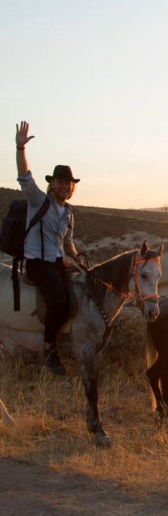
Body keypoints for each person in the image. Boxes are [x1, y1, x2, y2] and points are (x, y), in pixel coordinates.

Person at [14, 121, 82, 376]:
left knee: (75, 299)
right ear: (52, 183)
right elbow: (24, 177)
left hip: (58, 262)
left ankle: (65, 342)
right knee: (58, 301)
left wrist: (77, 258)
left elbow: (67, 243)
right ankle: (49, 350)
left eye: (68, 183)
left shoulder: (68, 212)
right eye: (60, 181)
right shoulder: (38, 200)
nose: (64, 186)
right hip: (38, 262)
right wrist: (20, 149)